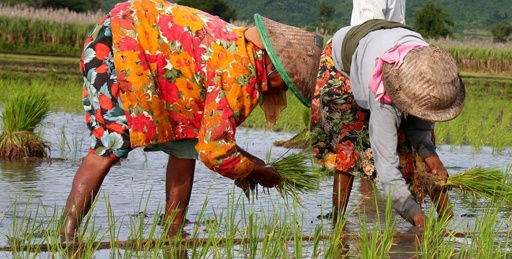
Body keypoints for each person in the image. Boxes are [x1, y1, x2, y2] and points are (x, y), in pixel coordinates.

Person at [61, 0, 323, 241]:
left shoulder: (243, 50)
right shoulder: (239, 70)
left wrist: (250, 163)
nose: (284, 89)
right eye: (287, 82)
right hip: (120, 43)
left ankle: (173, 232)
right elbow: (214, 151)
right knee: (112, 140)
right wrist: (257, 172)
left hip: (140, 43)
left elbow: (204, 140)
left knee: (185, 143)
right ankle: (67, 235)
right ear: (273, 66)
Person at [309, 20, 465, 228]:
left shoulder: (430, 69)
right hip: (342, 63)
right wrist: (413, 213)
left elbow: (419, 127)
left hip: (381, 47)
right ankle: (338, 223)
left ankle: (448, 219)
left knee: (424, 156)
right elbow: (386, 165)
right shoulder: (384, 98)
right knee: (351, 145)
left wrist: (431, 155)